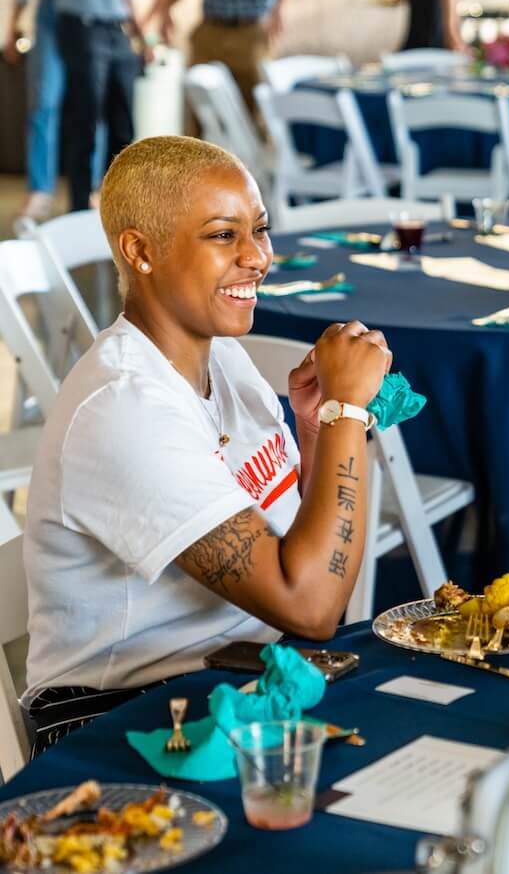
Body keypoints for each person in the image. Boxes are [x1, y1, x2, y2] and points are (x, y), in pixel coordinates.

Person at [24, 136, 392, 752]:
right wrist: (346, 412)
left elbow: (316, 562)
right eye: (224, 235)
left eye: (260, 229)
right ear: (141, 252)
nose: (257, 256)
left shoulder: (225, 358)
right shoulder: (124, 408)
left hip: (241, 676)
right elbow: (311, 604)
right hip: (119, 723)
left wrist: (313, 431)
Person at [3, 0, 105, 219]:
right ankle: (39, 190)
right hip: (52, 8)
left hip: (90, 7)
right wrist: (13, 26)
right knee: (43, 103)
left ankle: (93, 187)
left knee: (92, 107)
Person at [49, 0, 148, 213]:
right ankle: (80, 207)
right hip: (82, 26)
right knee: (86, 120)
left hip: (118, 29)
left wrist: (142, 35)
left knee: (124, 124)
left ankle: (117, 202)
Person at [147, 0, 296, 117]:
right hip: (211, 31)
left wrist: (279, 10)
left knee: (253, 106)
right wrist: (166, 10)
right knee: (199, 104)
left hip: (251, 33)